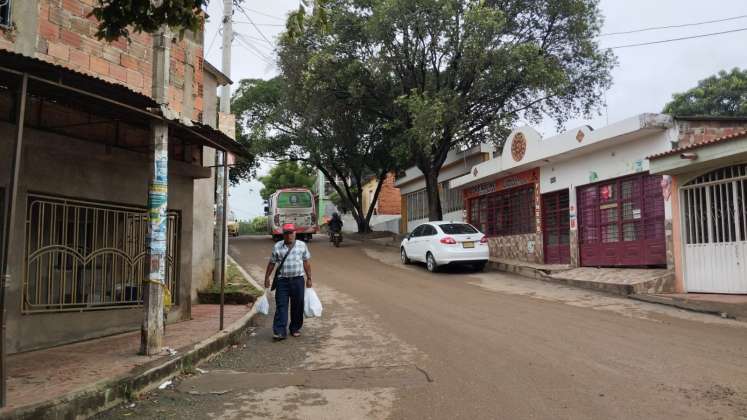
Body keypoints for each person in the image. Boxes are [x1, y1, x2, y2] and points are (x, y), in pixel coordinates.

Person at [264, 223, 313, 341]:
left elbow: (306, 262)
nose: (289, 235)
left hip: (298, 280)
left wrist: (309, 278)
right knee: (281, 306)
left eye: (291, 233)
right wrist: (266, 278)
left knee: (298, 306)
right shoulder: (277, 246)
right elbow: (271, 263)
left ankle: (295, 328)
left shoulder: (302, 245)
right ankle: (280, 331)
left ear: (295, 233)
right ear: (283, 234)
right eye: (286, 233)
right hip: (282, 281)